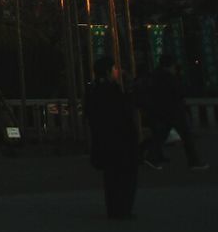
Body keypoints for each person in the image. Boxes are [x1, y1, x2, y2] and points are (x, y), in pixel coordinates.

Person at [85, 56, 138, 220]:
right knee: (123, 176)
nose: (117, 71)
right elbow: (122, 113)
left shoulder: (93, 90)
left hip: (104, 141)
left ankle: (115, 209)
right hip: (118, 141)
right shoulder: (110, 90)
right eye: (114, 68)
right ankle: (122, 209)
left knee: (111, 178)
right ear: (108, 71)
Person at [141, 55, 207, 171]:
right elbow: (179, 91)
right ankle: (194, 162)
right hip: (174, 110)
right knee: (185, 136)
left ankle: (151, 156)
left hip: (163, 111)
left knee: (161, 135)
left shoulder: (155, 76)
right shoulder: (170, 77)